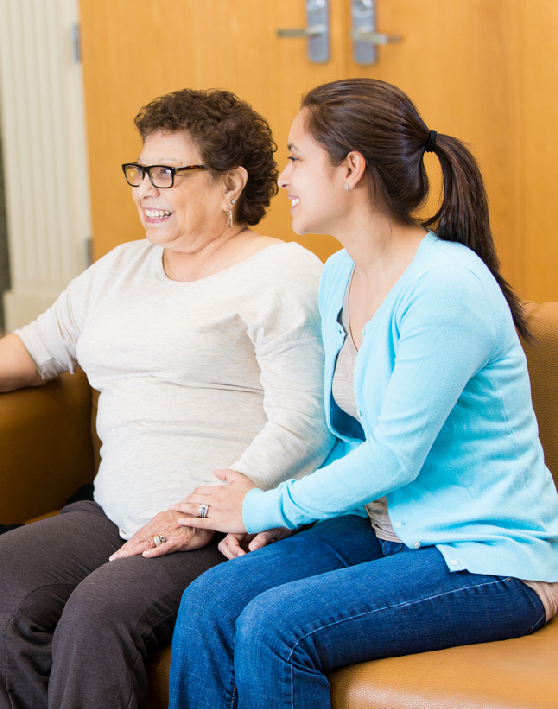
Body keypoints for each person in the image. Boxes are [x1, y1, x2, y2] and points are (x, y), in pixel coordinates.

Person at [0, 88, 334, 708]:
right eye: (140, 172)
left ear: (231, 184)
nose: (146, 189)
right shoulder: (123, 267)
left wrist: (198, 512)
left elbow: (305, 421)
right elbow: (45, 343)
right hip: (115, 510)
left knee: (99, 612)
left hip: (218, 533)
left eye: (167, 174)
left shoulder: (282, 275)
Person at [167, 78, 558, 709]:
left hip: (489, 558)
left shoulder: (445, 288)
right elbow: (353, 439)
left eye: (297, 158)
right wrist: (300, 516)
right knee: (211, 600)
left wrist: (268, 508)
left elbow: (395, 456)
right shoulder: (341, 275)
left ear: (351, 168)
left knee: (276, 628)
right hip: (387, 529)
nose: (285, 178)